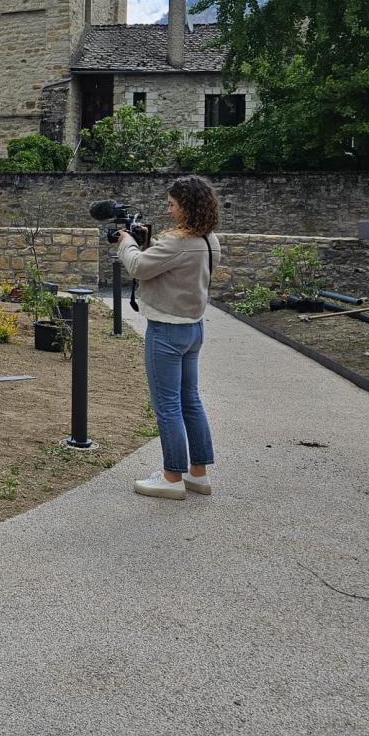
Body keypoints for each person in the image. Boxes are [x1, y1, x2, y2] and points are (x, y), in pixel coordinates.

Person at [117, 176, 222, 501]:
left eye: (172, 204)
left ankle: (171, 477)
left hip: (166, 331)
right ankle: (198, 474)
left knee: (167, 405)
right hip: (193, 328)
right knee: (190, 399)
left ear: (186, 207)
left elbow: (137, 267)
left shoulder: (177, 243)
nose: (168, 209)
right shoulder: (209, 241)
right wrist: (148, 244)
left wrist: (126, 242)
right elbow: (170, 269)